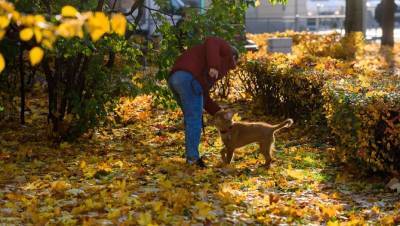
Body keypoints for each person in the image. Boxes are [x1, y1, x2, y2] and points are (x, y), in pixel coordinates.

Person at [168, 37, 239, 168]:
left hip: (175, 79)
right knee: (194, 120)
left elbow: (204, 96)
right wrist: (214, 66)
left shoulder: (204, 65)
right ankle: (193, 160)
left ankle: (191, 155)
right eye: (230, 66)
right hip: (189, 79)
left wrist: (219, 112)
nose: (228, 70)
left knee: (191, 119)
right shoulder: (225, 50)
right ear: (233, 57)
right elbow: (212, 41)